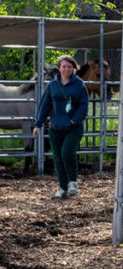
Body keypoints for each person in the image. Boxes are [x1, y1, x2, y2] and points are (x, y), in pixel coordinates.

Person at [33, 55, 89, 200]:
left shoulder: (80, 85)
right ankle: (62, 188)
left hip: (73, 127)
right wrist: (38, 124)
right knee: (58, 158)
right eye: (64, 66)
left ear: (74, 68)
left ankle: (73, 182)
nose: (67, 69)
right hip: (55, 128)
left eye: (70, 67)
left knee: (67, 152)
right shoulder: (52, 85)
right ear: (59, 68)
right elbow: (45, 105)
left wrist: (74, 121)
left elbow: (83, 106)